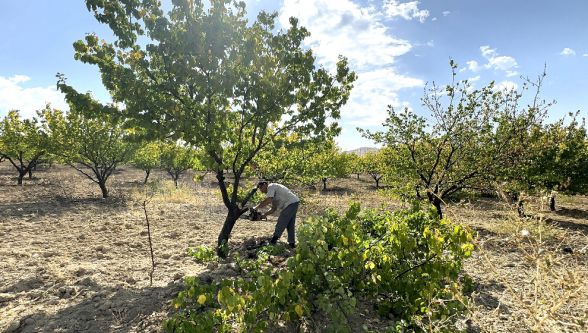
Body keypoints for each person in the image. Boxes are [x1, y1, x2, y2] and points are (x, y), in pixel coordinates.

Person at [253, 181, 300, 248]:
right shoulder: (272, 194)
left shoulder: (271, 186)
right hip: (294, 202)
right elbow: (273, 209)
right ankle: (292, 243)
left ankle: (274, 240)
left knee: (282, 220)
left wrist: (256, 207)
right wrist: (264, 215)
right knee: (290, 224)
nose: (261, 191)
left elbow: (268, 200)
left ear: (265, 184)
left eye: (260, 188)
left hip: (291, 203)